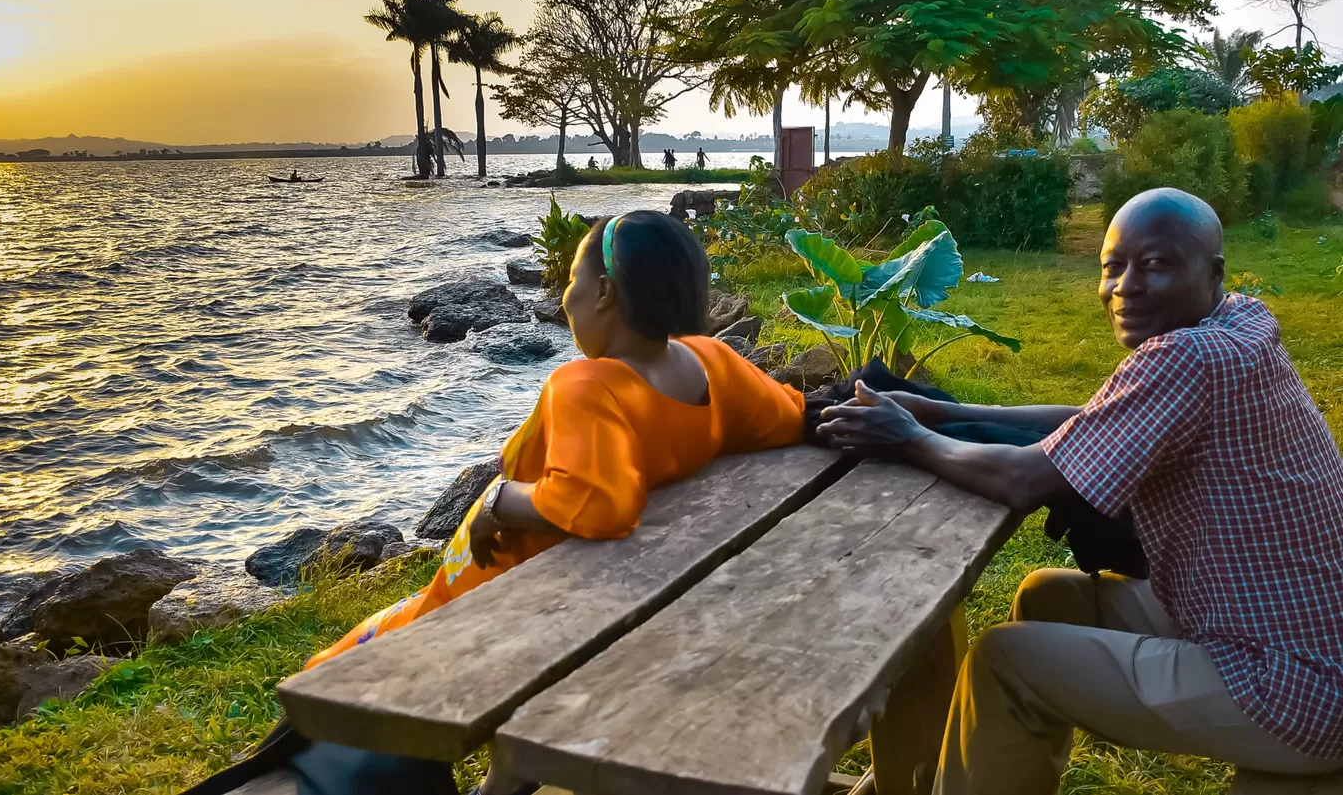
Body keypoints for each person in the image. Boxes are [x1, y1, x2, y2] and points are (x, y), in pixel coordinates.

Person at [818, 188, 1343, 794]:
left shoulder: (1190, 357)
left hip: (1294, 685)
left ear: (1212, 272)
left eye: (1157, 264)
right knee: (1047, 596)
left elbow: (1021, 480)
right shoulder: (1240, 324)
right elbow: (1093, 416)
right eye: (1113, 266)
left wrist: (909, 437)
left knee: (1005, 662)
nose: (1125, 286)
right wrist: (943, 412)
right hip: (1280, 627)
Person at [295, 210, 808, 795]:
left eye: (571, 280)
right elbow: (791, 414)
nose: (565, 296)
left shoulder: (586, 385)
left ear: (606, 293)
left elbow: (598, 504)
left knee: (330, 673)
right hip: (582, 614)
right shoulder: (710, 363)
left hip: (498, 607)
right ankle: (509, 775)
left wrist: (497, 503)